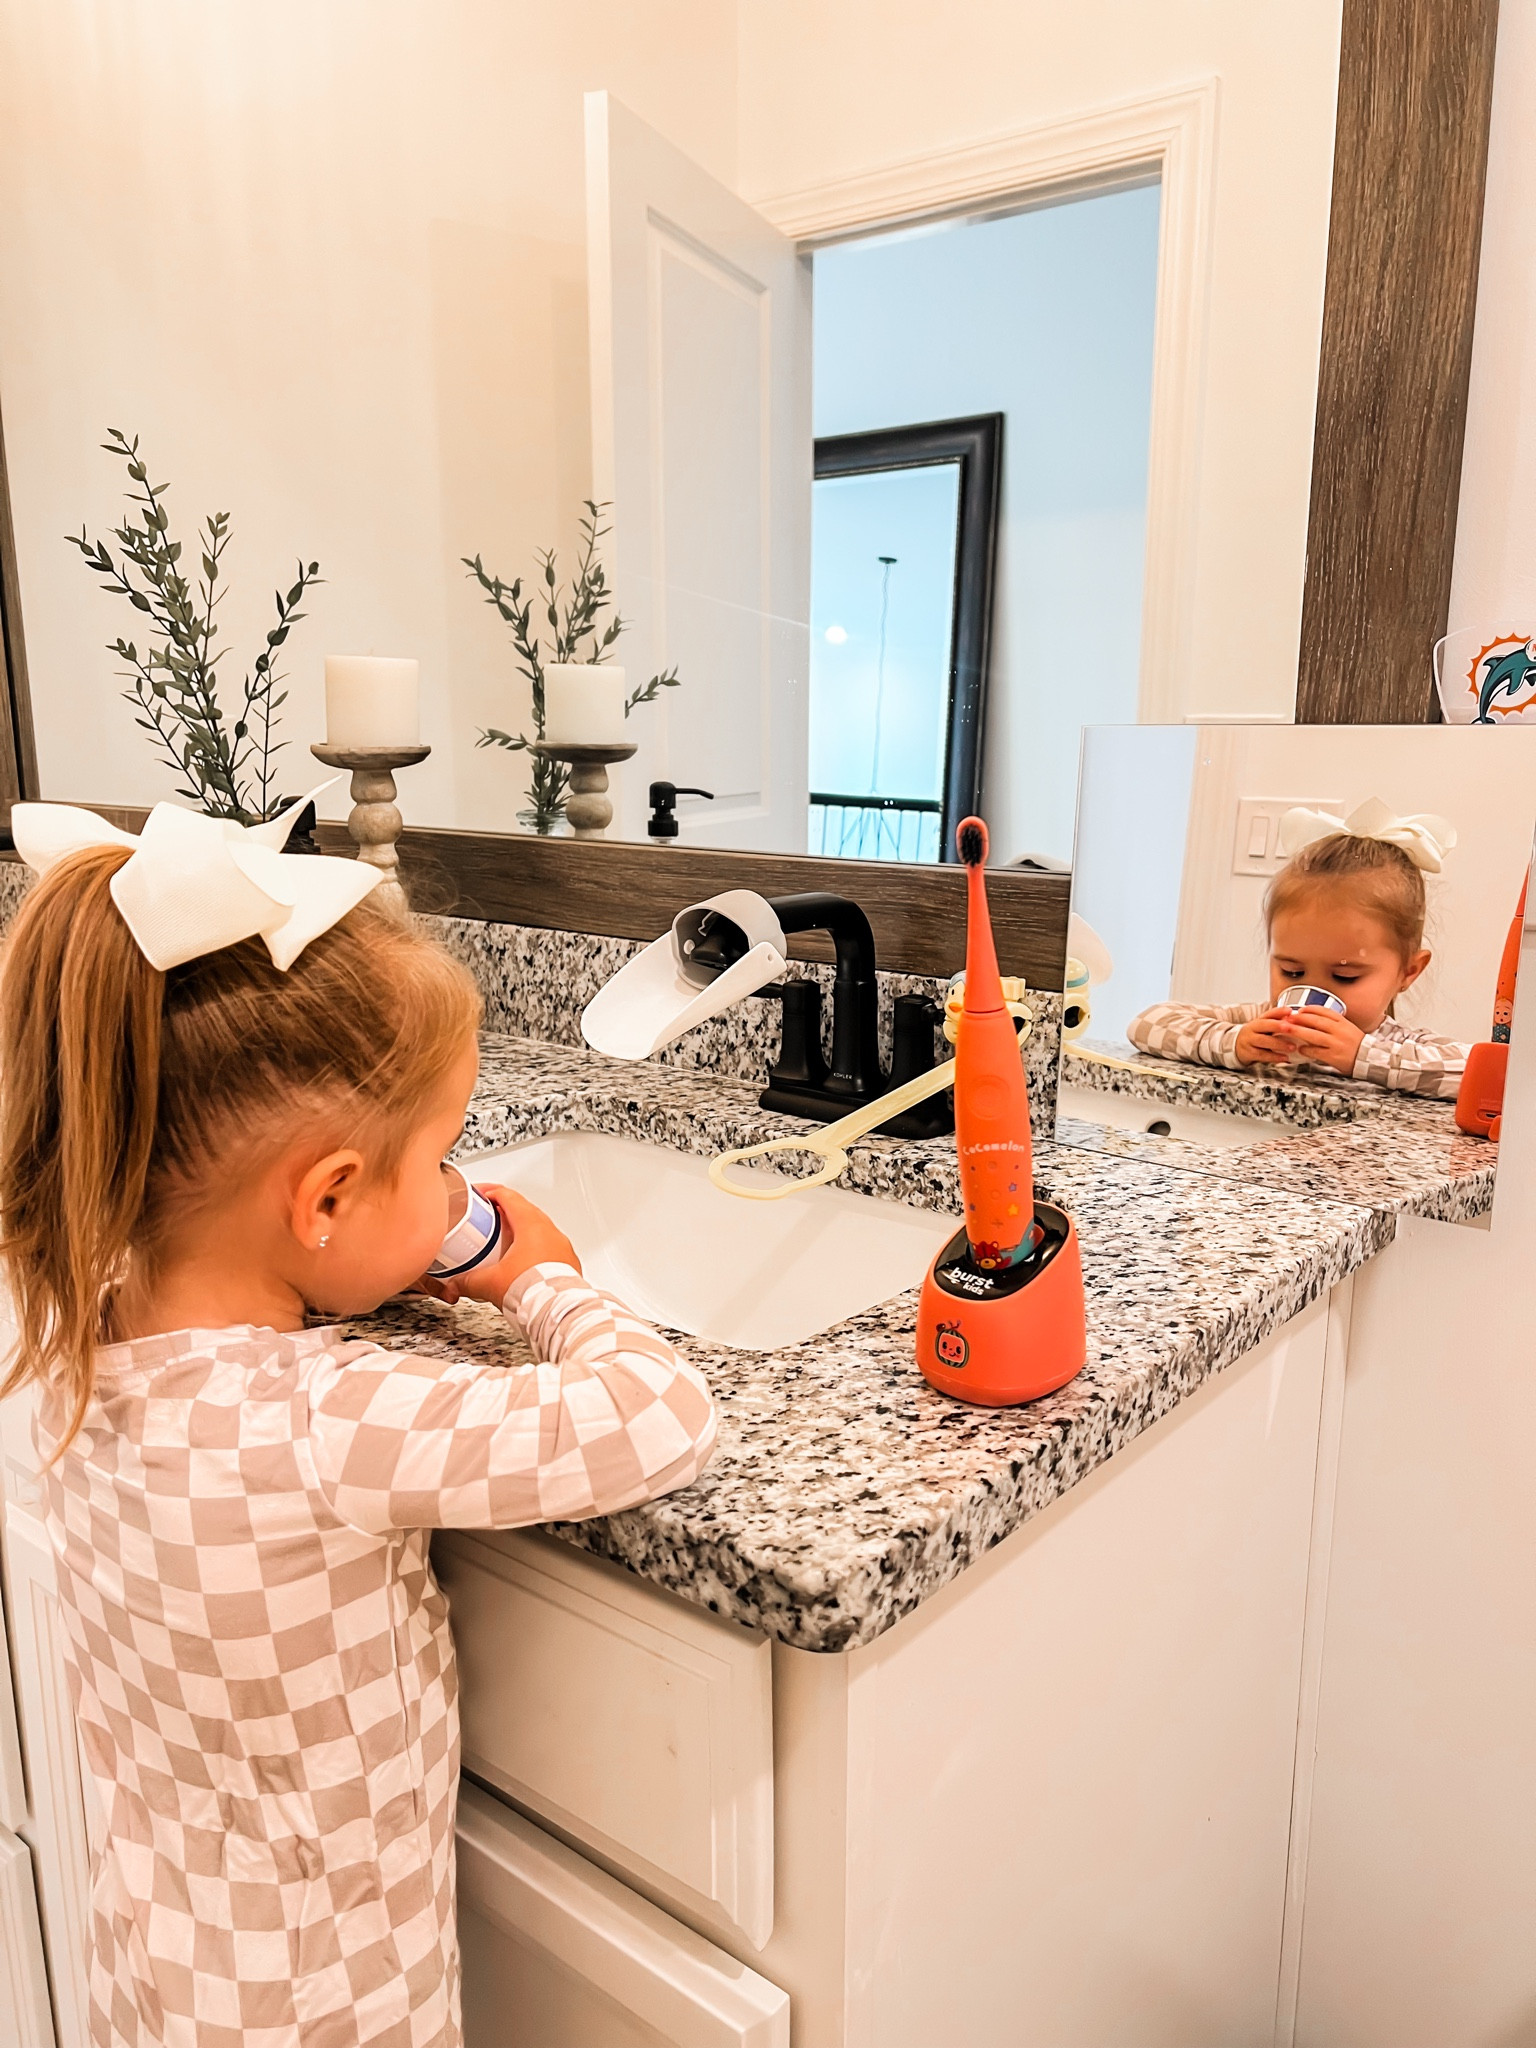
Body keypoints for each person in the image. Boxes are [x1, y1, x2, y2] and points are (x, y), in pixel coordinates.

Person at [0, 799, 716, 2048]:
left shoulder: (77, 1321)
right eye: (441, 1156)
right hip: (334, 2012)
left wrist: (387, 1229)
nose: (457, 1189)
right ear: (324, 1197)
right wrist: (539, 1279)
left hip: (156, 1979)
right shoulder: (328, 1417)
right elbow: (660, 1414)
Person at [1127, 802, 1469, 1098]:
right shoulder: (1259, 1021)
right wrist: (1235, 1043)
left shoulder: (1398, 1044)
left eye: (1344, 976)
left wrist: (1363, 1055)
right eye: (1291, 972)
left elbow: (1483, 1074)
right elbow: (1147, 1023)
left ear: (1408, 972)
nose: (1312, 991)